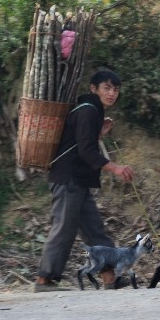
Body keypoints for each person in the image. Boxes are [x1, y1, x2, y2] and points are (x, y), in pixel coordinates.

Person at [34, 68, 136, 292]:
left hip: (78, 180)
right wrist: (116, 168)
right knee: (63, 229)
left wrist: (100, 132)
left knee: (95, 231)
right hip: (69, 178)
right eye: (106, 88)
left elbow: (82, 141)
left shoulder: (91, 110)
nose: (112, 93)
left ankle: (111, 278)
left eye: (115, 89)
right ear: (93, 88)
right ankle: (45, 280)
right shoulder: (89, 111)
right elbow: (86, 152)